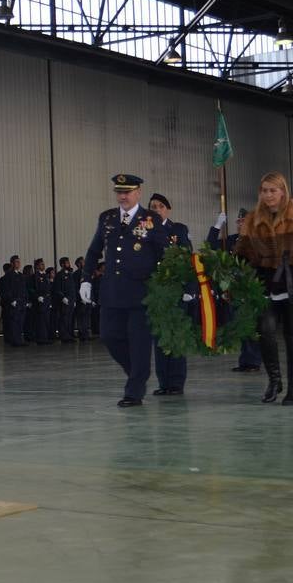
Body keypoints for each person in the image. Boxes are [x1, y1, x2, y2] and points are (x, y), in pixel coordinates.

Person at [234, 173, 293, 405]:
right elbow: (241, 255)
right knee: (265, 331)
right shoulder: (252, 219)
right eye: (264, 190)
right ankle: (275, 380)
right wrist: (237, 285)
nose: (268, 195)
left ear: (283, 191)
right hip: (263, 286)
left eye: (272, 190)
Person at [81, 174, 171, 408]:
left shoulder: (150, 219)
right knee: (109, 337)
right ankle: (138, 373)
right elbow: (93, 252)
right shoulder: (107, 218)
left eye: (127, 192)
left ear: (138, 192)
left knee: (140, 343)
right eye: (119, 192)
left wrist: (166, 284)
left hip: (142, 293)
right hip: (112, 291)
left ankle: (134, 392)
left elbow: (166, 253)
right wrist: (86, 280)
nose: (122, 196)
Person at [209, 207, 263, 372]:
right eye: (238, 221)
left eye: (244, 221)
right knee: (240, 325)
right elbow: (210, 246)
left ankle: (253, 361)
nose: (240, 224)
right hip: (234, 290)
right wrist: (217, 227)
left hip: (250, 288)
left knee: (251, 326)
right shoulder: (231, 241)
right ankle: (245, 360)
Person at [147, 193, 191, 396]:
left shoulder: (178, 230)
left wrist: (188, 289)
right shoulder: (143, 231)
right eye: (153, 206)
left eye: (160, 206)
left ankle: (176, 382)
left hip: (174, 291)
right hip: (155, 293)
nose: (156, 209)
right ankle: (163, 381)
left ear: (168, 209)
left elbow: (188, 260)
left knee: (175, 336)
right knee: (159, 338)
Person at [0, 256, 26, 346]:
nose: (18, 264)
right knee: (14, 322)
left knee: (20, 322)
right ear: (12, 263)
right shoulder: (8, 275)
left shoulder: (21, 275)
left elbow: (23, 289)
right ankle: (15, 341)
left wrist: (25, 300)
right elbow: (6, 290)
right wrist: (11, 300)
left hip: (21, 302)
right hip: (13, 302)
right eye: (16, 262)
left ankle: (19, 339)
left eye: (19, 262)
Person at [53, 257, 76, 343]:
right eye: (67, 263)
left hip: (71, 299)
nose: (68, 264)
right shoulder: (59, 275)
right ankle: (64, 336)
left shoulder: (70, 274)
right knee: (64, 318)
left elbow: (73, 288)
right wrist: (63, 298)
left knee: (69, 319)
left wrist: (74, 300)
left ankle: (69, 335)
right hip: (64, 300)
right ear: (62, 264)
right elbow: (57, 289)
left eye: (68, 262)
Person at [72, 255, 92, 341]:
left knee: (87, 317)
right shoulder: (76, 274)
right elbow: (76, 287)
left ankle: (86, 333)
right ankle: (82, 334)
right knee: (81, 317)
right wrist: (81, 298)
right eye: (83, 261)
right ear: (79, 264)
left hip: (88, 298)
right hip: (81, 299)